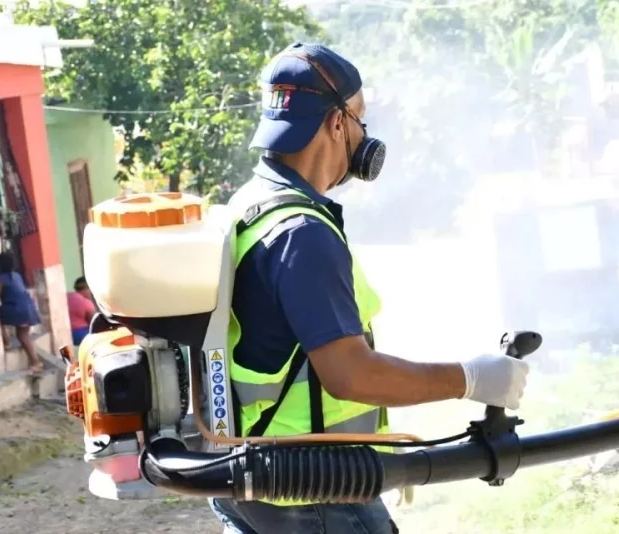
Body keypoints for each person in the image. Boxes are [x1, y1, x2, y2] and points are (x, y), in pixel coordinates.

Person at [210, 42, 530, 534]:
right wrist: (470, 379)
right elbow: (350, 376)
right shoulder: (302, 234)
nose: (364, 134)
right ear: (337, 124)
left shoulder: (249, 206)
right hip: (316, 487)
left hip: (253, 478)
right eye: (360, 119)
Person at [0, 251, 42, 375]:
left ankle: (35, 362)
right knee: (23, 334)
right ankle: (33, 359)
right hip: (28, 307)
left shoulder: (0, 279)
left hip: (16, 309)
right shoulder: (17, 275)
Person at [67, 276, 96, 346]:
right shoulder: (85, 302)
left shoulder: (67, 296)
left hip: (65, 335)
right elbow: (94, 323)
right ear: (89, 288)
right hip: (80, 335)